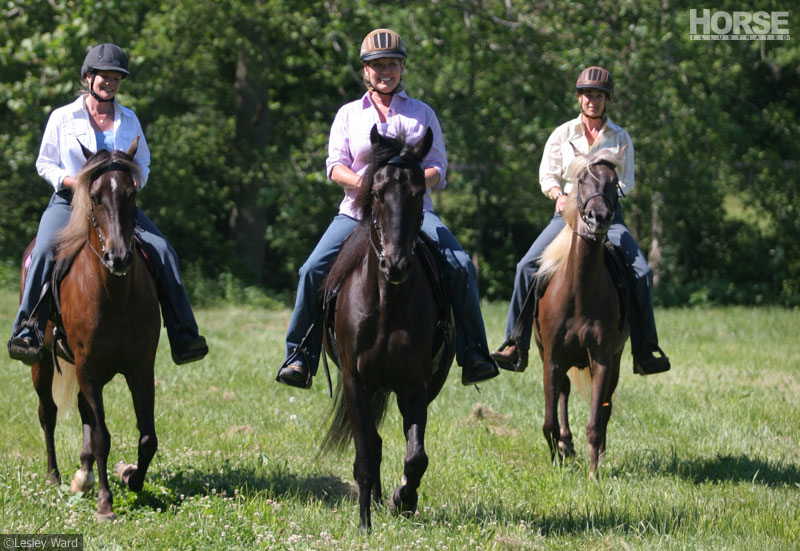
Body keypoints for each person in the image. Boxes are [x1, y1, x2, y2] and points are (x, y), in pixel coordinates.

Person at [276, 28, 499, 389]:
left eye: (392, 64)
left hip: (414, 213)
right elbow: (335, 166)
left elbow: (439, 168)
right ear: (365, 71)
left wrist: (406, 186)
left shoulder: (422, 113)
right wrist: (367, 185)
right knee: (312, 269)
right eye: (377, 65)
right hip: (356, 212)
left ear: (402, 67)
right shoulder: (348, 115)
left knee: (460, 267)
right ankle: (300, 354)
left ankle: (473, 352)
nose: (385, 71)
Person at [7, 43, 208, 366]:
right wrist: (73, 182)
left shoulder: (129, 119)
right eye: (105, 78)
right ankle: (27, 329)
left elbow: (143, 163)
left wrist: (131, 184)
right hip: (70, 202)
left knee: (164, 251)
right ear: (89, 78)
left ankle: (183, 332)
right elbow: (45, 163)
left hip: (117, 206)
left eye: (117, 78)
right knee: (42, 250)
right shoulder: (63, 117)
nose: (111, 84)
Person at [492, 66, 670, 375]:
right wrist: (559, 195)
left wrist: (602, 200)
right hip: (567, 217)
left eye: (599, 96)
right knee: (526, 266)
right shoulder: (562, 134)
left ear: (607, 100)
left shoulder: (620, 137)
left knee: (641, 272)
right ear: (579, 97)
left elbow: (626, 182)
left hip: (608, 218)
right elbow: (547, 174)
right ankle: (515, 343)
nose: (593, 101)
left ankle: (644, 350)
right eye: (588, 95)